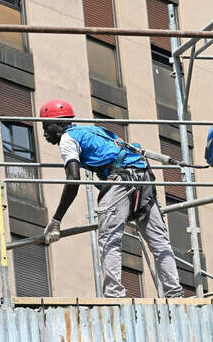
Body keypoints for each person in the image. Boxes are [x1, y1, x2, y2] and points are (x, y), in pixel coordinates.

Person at [39, 99, 183, 298]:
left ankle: (114, 296)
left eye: (46, 127)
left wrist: (56, 220)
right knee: (159, 241)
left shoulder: (67, 139)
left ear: (59, 124)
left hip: (121, 180)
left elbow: (73, 180)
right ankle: (174, 294)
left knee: (109, 240)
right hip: (143, 177)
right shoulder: (90, 131)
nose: (45, 133)